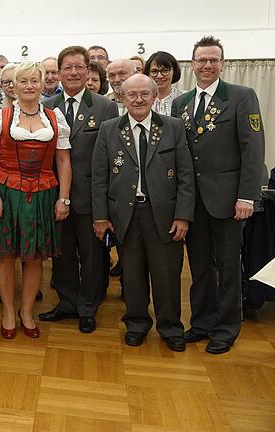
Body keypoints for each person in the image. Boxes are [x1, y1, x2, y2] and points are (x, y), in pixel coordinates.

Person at [172, 35, 265, 354]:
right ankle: (201, 323)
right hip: (192, 201)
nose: (207, 65)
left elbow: (253, 150)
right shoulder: (180, 103)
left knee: (228, 267)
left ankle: (226, 328)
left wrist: (247, 197)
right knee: (198, 268)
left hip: (228, 201)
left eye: (214, 60)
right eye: (202, 60)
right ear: (192, 64)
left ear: (222, 64)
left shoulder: (241, 96)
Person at [92, 74, 195, 351]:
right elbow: (100, 177)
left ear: (154, 96)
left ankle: (171, 326)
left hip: (165, 215)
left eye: (144, 94)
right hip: (125, 214)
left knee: (167, 275)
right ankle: (136, 323)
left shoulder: (172, 127)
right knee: (133, 274)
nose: (138, 100)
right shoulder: (109, 128)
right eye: (132, 95)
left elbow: (186, 175)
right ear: (122, 98)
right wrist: (101, 216)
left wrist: (183, 215)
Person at [0, 62, 72, 339]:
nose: (29, 86)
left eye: (35, 81)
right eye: (24, 81)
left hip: (44, 192)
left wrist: (63, 199)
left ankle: (26, 311)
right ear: (14, 86)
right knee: (6, 255)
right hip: (7, 191)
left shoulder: (55, 118)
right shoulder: (0, 116)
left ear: (43, 84)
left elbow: (63, 161)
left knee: (35, 258)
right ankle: (8, 311)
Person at [40, 46, 119, 333]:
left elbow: (109, 159)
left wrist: (105, 205)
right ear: (59, 73)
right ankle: (66, 303)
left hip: (90, 195)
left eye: (78, 67)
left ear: (88, 71)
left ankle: (88, 307)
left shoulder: (104, 107)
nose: (73, 73)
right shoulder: (46, 106)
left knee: (92, 255)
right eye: (67, 68)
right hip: (54, 194)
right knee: (61, 253)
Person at [144, 51, 185, 116]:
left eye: (165, 70)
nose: (159, 76)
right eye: (154, 71)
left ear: (174, 72)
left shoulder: (186, 98)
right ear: (148, 73)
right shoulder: (141, 99)